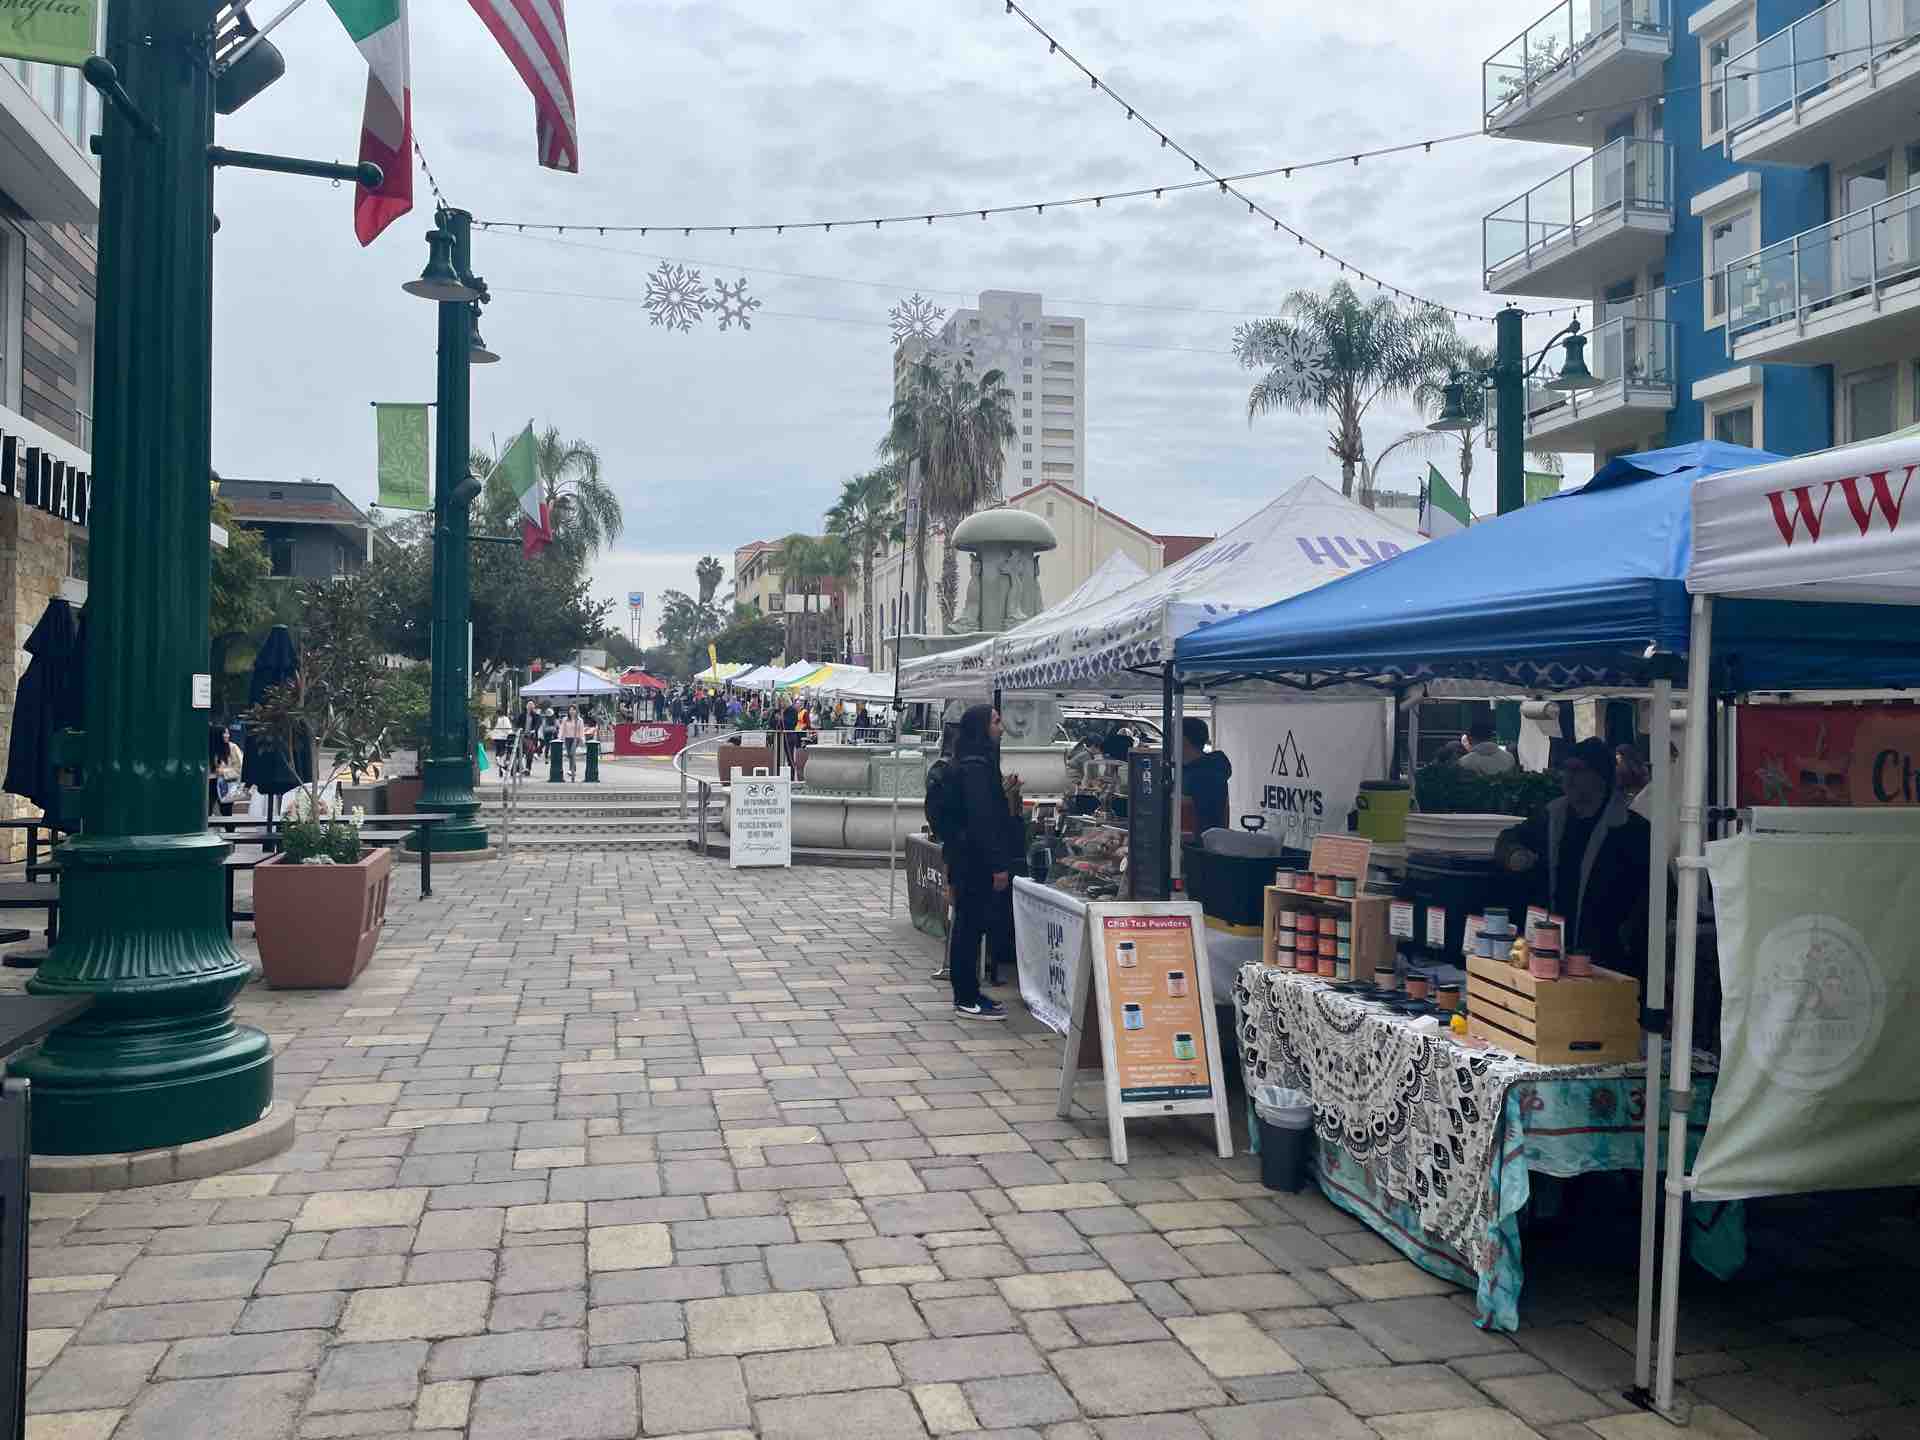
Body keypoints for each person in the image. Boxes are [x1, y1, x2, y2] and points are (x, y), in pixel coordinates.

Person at [1495, 737, 1652, 981]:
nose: (1568, 777)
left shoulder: (1632, 830)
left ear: (1600, 777)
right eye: (1565, 769)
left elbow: (1654, 895)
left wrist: (1628, 938)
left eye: (1578, 770)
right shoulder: (1551, 817)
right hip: (1549, 956)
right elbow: (1507, 839)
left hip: (1607, 961)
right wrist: (1514, 854)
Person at [943, 705, 1017, 1020]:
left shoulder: (971, 762)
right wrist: (998, 865)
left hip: (967, 858)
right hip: (975, 862)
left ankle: (970, 991)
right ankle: (965, 997)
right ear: (981, 727)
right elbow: (982, 821)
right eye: (996, 722)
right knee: (969, 929)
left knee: (971, 928)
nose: (1001, 727)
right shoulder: (975, 768)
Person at [1181, 717, 1233, 836]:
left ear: (1183, 740)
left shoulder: (1204, 776)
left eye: (1172, 737)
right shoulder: (1202, 770)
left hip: (1198, 844)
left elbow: (1202, 825)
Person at [560, 705, 584, 781]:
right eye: (570, 710)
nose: (572, 711)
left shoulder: (579, 720)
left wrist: (582, 739)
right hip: (567, 738)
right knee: (569, 754)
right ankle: (573, 768)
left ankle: (571, 769)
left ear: (576, 711)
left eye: (573, 710)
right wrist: (560, 738)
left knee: (572, 753)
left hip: (576, 738)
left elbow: (581, 730)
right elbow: (562, 729)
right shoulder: (565, 719)